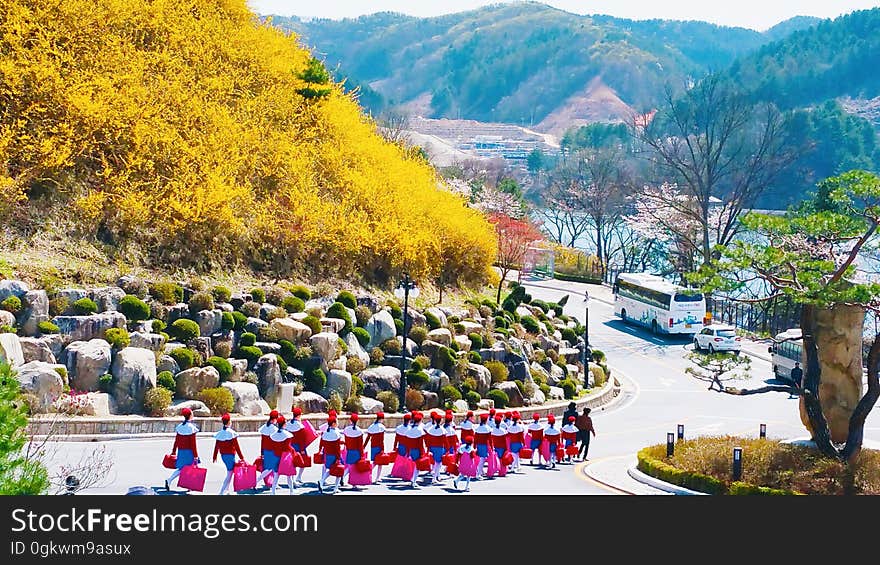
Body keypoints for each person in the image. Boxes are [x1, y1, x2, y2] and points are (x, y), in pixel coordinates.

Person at [166, 407, 199, 490]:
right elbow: (193, 444)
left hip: (181, 451)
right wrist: (195, 455)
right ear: (190, 416)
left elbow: (176, 441)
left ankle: (170, 480)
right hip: (189, 452)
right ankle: (171, 480)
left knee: (182, 468)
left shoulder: (180, 427)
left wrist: (174, 451)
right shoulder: (191, 428)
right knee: (189, 468)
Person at [213, 413, 245, 495]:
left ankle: (226, 490)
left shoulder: (220, 433)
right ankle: (222, 491)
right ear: (228, 422)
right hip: (230, 456)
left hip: (223, 455)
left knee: (229, 472)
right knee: (229, 473)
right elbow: (237, 447)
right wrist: (242, 457)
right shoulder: (231, 433)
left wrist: (214, 456)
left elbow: (217, 446)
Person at [268, 415, 293, 495]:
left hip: (276, 457)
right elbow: (289, 447)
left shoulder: (273, 435)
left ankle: (273, 492)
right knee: (289, 476)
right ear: (284, 424)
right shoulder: (288, 435)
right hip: (285, 458)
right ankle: (291, 491)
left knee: (276, 475)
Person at [284, 407, 308, 488]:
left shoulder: (288, 424)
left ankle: (294, 479)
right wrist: (302, 450)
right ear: (298, 416)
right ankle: (298, 478)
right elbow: (302, 440)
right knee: (302, 463)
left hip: (290, 446)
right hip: (298, 447)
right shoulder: (300, 426)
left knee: (292, 464)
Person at [318, 416, 343, 493]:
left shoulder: (325, 433)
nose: (337, 423)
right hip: (334, 455)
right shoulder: (336, 433)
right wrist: (338, 458)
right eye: (336, 422)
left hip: (327, 455)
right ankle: (335, 488)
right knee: (339, 470)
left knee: (329, 469)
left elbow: (322, 444)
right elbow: (337, 447)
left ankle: (321, 481)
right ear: (333, 424)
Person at [341, 412, 366, 489]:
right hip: (357, 452)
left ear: (350, 420)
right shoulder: (359, 431)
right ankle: (353, 483)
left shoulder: (346, 430)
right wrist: (362, 455)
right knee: (354, 468)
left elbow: (346, 440)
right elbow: (360, 445)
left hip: (349, 450)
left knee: (349, 466)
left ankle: (342, 476)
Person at [256, 410, 279, 488]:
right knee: (270, 468)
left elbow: (262, 441)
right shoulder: (274, 429)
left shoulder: (264, 427)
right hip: (272, 451)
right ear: (274, 419)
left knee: (274, 469)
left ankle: (274, 484)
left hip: (266, 451)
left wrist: (262, 452)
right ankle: (256, 481)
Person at [405, 412, 426, 488]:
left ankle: (412, 478)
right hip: (417, 450)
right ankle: (414, 481)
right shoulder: (420, 430)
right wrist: (422, 453)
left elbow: (407, 443)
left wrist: (407, 452)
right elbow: (420, 444)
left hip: (411, 450)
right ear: (420, 421)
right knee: (417, 467)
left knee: (414, 465)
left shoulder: (410, 430)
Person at [425, 412, 447, 484]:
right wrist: (447, 448)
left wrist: (428, 448)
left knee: (434, 462)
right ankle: (435, 477)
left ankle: (436, 474)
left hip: (432, 447)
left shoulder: (431, 429)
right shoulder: (442, 430)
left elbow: (428, 439)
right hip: (439, 448)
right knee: (438, 463)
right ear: (440, 421)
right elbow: (445, 441)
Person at [365, 412, 387, 484]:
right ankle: (377, 478)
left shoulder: (371, 426)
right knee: (379, 463)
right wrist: (383, 449)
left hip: (373, 446)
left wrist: (364, 446)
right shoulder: (381, 427)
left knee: (374, 462)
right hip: (379, 447)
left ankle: (371, 475)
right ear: (381, 419)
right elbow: (382, 440)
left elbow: (368, 438)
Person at [473, 413, 492, 478]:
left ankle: (481, 471)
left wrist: (474, 446)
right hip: (484, 445)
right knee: (482, 459)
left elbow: (475, 438)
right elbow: (490, 439)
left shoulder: (478, 428)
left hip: (478, 445)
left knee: (480, 459)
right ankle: (478, 473)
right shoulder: (487, 428)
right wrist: (492, 447)